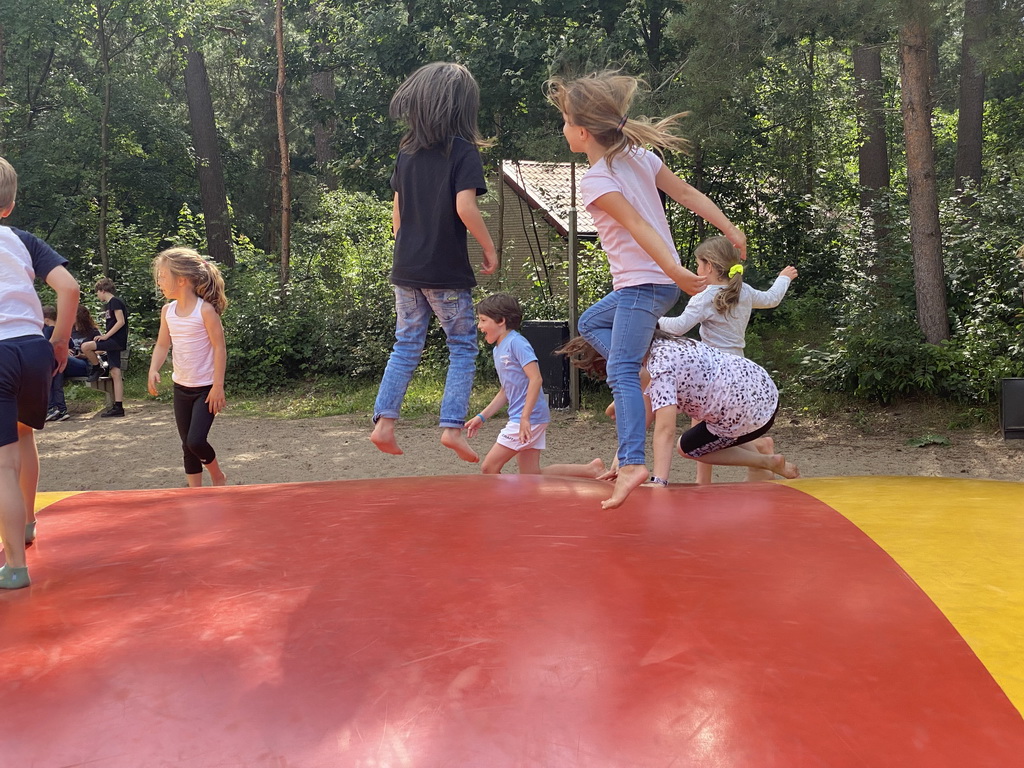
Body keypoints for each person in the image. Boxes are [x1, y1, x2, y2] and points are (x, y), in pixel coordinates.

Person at [546, 70, 747, 509]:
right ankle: (646, 373)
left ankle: (634, 462)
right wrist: (728, 227)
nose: (562, 129)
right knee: (591, 321)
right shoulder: (636, 156)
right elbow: (687, 193)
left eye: (563, 120)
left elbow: (637, 227)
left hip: (646, 283)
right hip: (650, 284)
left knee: (617, 371)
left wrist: (675, 270)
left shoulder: (597, 179)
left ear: (582, 131)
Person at [369, 62, 499, 463]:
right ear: (462, 108)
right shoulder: (463, 151)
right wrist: (489, 247)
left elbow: (397, 214)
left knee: (406, 345)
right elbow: (465, 206)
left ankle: (384, 424)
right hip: (444, 270)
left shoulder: (406, 153)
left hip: (406, 268)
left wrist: (411, 246)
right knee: (462, 346)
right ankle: (451, 427)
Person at [561, 333, 800, 493]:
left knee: (688, 447)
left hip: (747, 414)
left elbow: (664, 429)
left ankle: (765, 461)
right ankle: (761, 448)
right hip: (762, 389)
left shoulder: (659, 369)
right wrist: (622, 462)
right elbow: (641, 419)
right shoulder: (663, 344)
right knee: (713, 427)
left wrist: (659, 481)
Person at [1, 155, 80, 589]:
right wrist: (58, 341)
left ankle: (14, 566)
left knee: (1, 463)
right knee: (25, 435)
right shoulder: (22, 239)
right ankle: (28, 524)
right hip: (32, 349)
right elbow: (68, 288)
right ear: (9, 205)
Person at [659, 236, 798, 483]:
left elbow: (678, 327)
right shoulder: (742, 290)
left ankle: (706, 483)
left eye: (699, 265)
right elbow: (772, 299)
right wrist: (784, 278)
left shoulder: (705, 297)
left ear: (710, 267)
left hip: (713, 375)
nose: (697, 270)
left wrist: (649, 319)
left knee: (701, 432)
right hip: (741, 370)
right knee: (709, 429)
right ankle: (759, 448)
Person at [466, 294, 605, 478]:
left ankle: (505, 504)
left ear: (501, 321)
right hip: (529, 418)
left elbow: (536, 379)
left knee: (489, 468)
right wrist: (481, 417)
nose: (479, 326)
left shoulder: (517, 343)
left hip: (527, 419)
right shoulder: (499, 349)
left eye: (483, 320)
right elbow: (505, 391)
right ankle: (590, 470)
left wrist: (525, 418)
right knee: (531, 475)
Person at [147, 247, 229, 488]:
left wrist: (218, 386)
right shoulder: (167, 312)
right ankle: (195, 493)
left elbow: (219, 348)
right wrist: (154, 368)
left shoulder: (205, 310)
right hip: (181, 388)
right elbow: (163, 344)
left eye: (163, 276)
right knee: (186, 445)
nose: (159, 281)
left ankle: (218, 476)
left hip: (205, 390)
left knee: (195, 441)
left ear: (181, 280)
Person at [80, 276, 129, 417]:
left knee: (86, 346)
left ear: (102, 290)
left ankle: (97, 367)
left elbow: (120, 321)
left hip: (115, 341)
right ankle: (118, 407)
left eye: (97, 292)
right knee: (115, 372)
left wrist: (106, 336)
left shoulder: (115, 302)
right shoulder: (110, 304)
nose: (97, 295)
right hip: (114, 342)